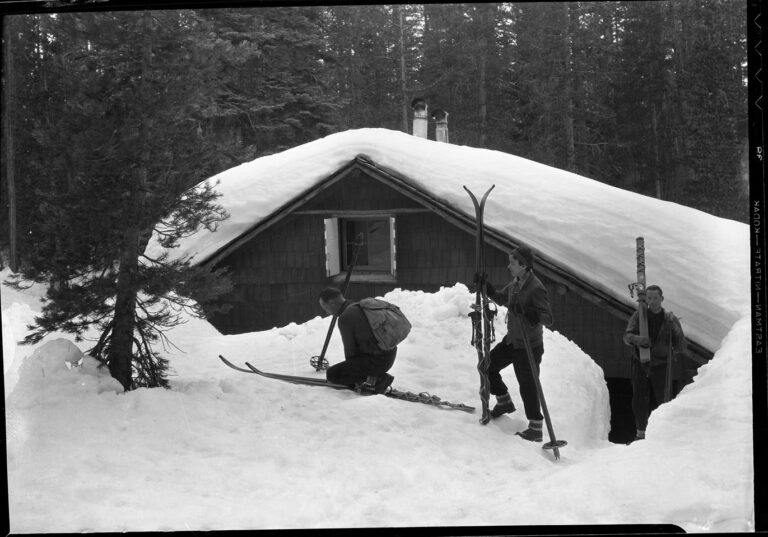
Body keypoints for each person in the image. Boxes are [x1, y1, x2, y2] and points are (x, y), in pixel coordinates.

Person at [482, 246, 554, 442]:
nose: (509, 266)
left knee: (528, 385)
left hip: (529, 345)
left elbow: (548, 318)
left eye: (513, 263)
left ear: (523, 265)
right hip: (513, 340)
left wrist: (530, 312)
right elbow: (504, 298)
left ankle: (536, 428)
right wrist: (488, 289)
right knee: (487, 365)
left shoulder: (536, 287)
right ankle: (504, 401)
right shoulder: (517, 282)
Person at [623, 284, 687, 442]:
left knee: (664, 399)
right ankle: (640, 433)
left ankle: (664, 433)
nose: (652, 301)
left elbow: (681, 346)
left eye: (655, 298)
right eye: (649, 298)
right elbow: (627, 336)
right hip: (640, 363)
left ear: (662, 299)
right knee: (639, 398)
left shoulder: (670, 319)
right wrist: (638, 340)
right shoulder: (639, 315)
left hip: (662, 365)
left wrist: (676, 331)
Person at [318, 287, 396, 394]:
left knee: (332, 374)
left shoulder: (345, 318)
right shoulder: (357, 306)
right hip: (389, 355)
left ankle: (379, 380)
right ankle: (372, 377)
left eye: (325, 308)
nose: (327, 312)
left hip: (377, 362)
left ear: (332, 303)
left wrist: (352, 375)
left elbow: (350, 353)